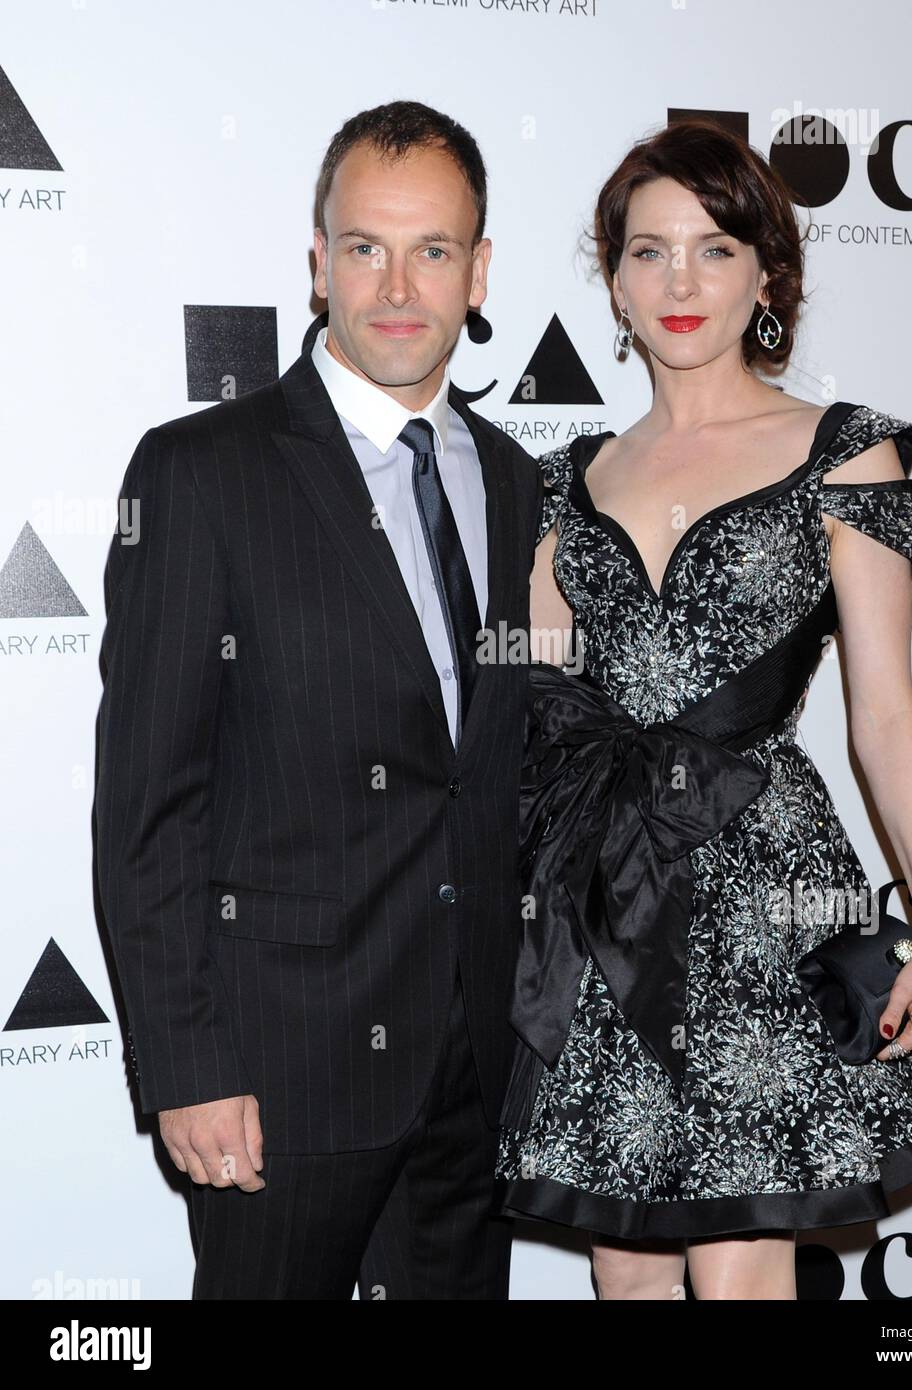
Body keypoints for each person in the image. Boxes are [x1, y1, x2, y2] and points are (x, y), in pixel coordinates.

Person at [494, 119, 912, 1301]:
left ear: (765, 273)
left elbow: (883, 716)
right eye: (646, 253)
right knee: (626, 1266)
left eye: (711, 249)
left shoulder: (842, 452)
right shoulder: (563, 476)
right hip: (602, 883)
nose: (678, 282)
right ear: (612, 280)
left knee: (741, 1259)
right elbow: (539, 715)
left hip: (759, 883)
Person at [94, 101, 542, 1300]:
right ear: (316, 260)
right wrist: (185, 1062)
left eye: (433, 250)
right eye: (363, 247)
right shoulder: (200, 474)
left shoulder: (509, 481)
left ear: (478, 269)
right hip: (278, 1070)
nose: (397, 285)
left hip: (471, 1070)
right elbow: (148, 804)